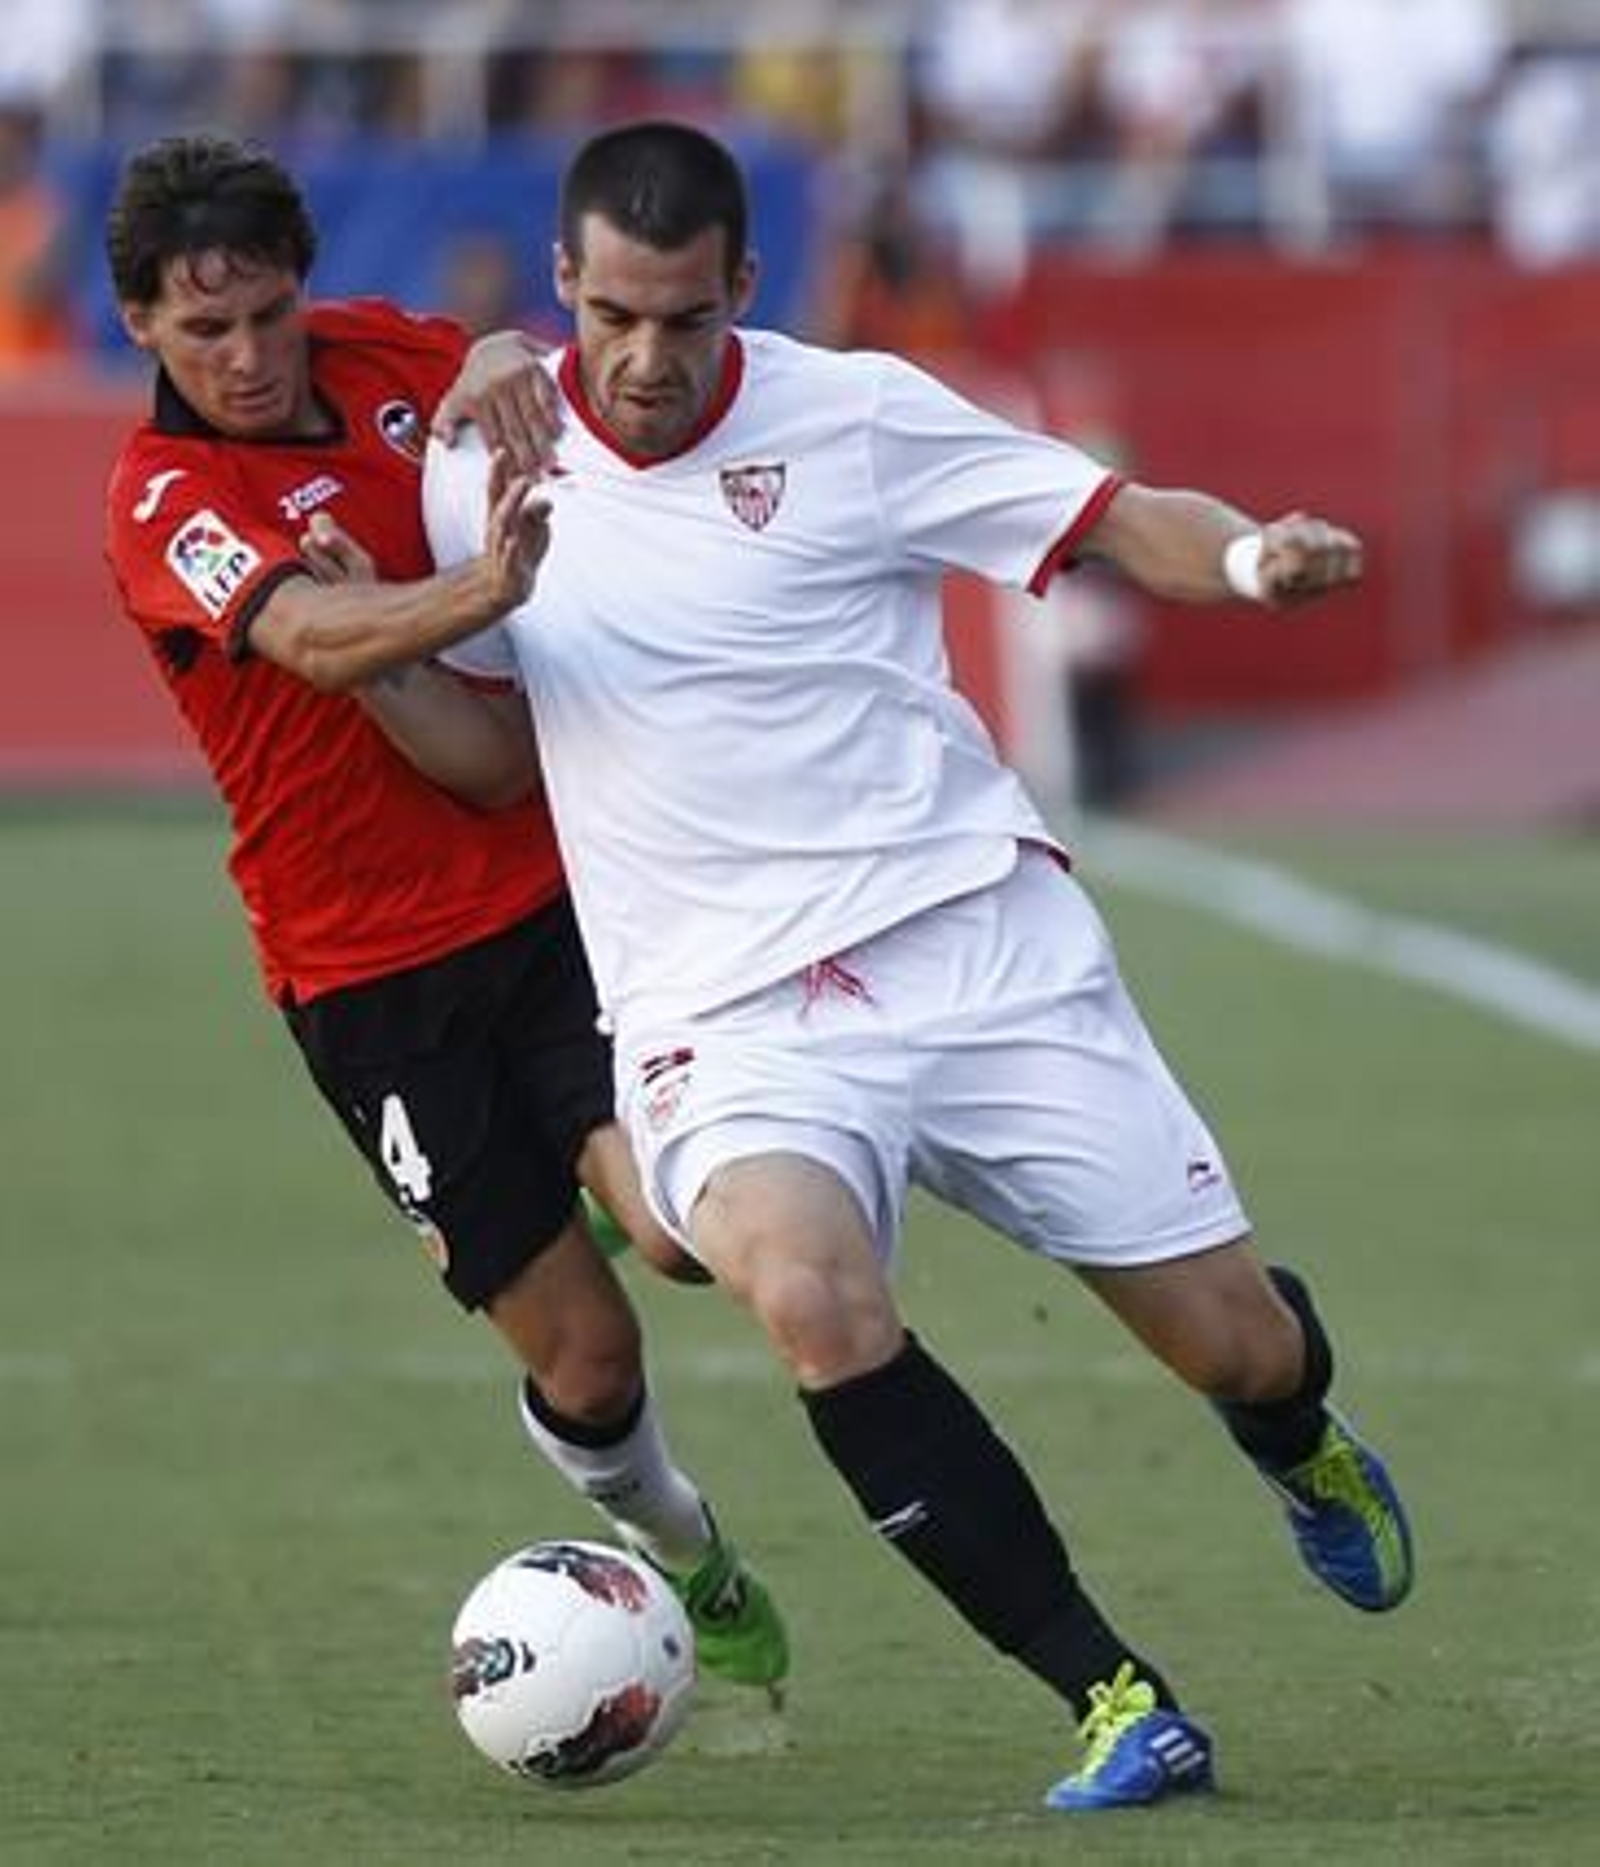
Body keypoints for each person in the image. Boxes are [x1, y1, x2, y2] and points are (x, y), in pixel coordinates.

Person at [391, 120, 1416, 1813]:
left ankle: (1297, 1433)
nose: (648, 362)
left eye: (688, 322)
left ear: (744, 290)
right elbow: (487, 755)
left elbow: (1110, 515)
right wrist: (366, 654)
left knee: (1234, 1345)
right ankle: (1115, 1699)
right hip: (722, 1009)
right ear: (564, 284)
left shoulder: (856, 417)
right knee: (805, 1298)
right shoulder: (474, 469)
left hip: (970, 946)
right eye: (615, 318)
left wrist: (1245, 562)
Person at [99, 132, 789, 1696]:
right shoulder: (163, 496)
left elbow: (539, 375)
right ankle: (687, 1542)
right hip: (369, 979)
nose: (252, 357)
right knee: (591, 1357)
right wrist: (483, 594)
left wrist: (496, 352)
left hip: (555, 897)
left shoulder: (383, 355)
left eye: (272, 313)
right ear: (138, 323)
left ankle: (607, 1178)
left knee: (688, 1240)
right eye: (206, 331)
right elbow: (327, 639)